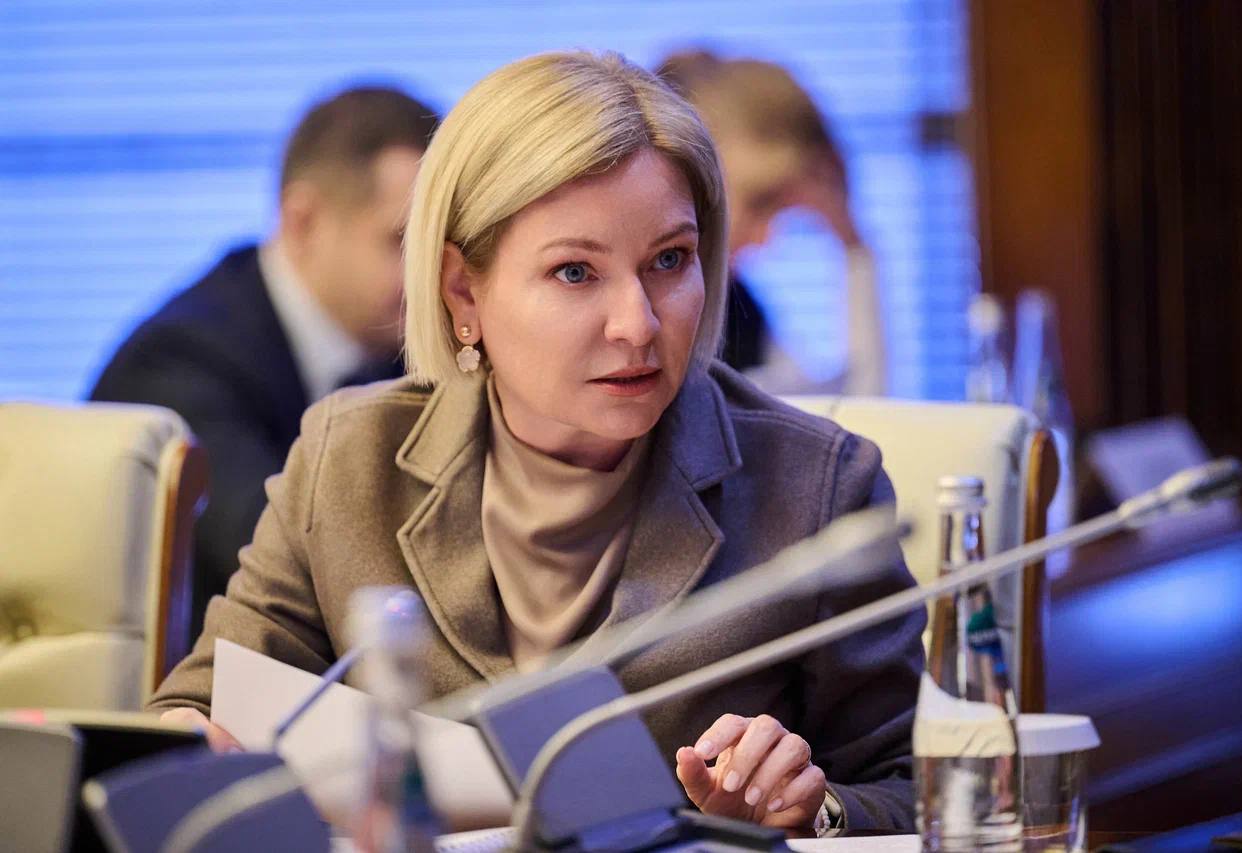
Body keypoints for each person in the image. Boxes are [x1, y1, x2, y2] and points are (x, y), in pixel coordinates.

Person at [150, 52, 925, 836]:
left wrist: (813, 809)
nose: (638, 324)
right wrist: (191, 740)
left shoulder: (818, 488)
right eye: (576, 272)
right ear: (463, 291)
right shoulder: (348, 459)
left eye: (669, 260)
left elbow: (920, 786)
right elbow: (203, 704)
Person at [91, 87, 441, 641]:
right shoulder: (180, 362)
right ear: (303, 222)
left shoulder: (395, 353)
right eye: (400, 242)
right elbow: (291, 565)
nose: (431, 278)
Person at [657, 50, 887, 396]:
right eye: (758, 205)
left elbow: (859, 407)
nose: (766, 239)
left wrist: (853, 249)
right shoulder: (639, 318)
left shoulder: (740, 309)